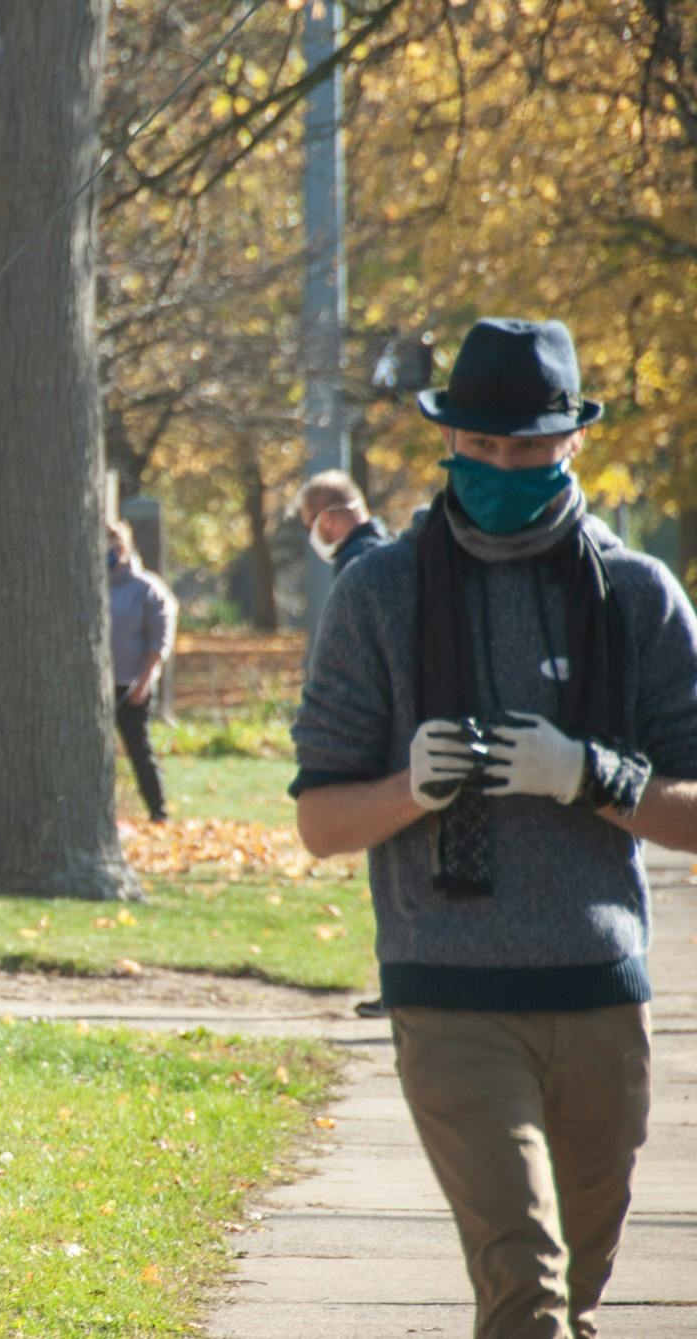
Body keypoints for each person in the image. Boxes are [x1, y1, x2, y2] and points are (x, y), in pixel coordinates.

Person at [291, 316, 697, 1339]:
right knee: (525, 1286)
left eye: (523, 447)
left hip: (598, 986)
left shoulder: (637, 597)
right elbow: (317, 822)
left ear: (569, 442)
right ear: (446, 441)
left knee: (577, 1278)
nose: (499, 467)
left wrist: (588, 775)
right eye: (478, 448)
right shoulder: (377, 595)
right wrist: (409, 787)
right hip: (448, 988)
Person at [296, 469, 396, 1019]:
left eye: (313, 524)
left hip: (379, 743)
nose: (314, 536)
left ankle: (399, 978)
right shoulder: (380, 558)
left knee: (390, 864)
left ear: (332, 518)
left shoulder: (362, 566)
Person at [107, 519, 177, 823]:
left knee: (139, 750)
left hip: (132, 685)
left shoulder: (147, 589)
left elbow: (159, 640)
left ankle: (158, 812)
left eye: (113, 546)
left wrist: (144, 681)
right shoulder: (90, 586)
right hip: (96, 685)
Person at [295, 469, 392, 577]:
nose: (311, 535)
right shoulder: (391, 547)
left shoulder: (353, 562)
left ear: (326, 519)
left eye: (309, 527)